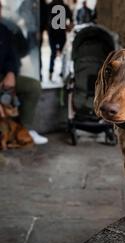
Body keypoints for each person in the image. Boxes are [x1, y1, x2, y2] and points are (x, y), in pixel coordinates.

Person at [0, 2, 47, 145]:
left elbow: (12, 56)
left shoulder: (4, 30)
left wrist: (11, 73)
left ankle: (24, 129)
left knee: (33, 86)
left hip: (3, 76)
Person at [46, 0, 73, 81]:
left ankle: (58, 72)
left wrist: (68, 27)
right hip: (56, 33)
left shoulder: (51, 6)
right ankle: (53, 72)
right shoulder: (61, 6)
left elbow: (71, 20)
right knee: (56, 53)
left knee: (57, 53)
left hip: (57, 33)